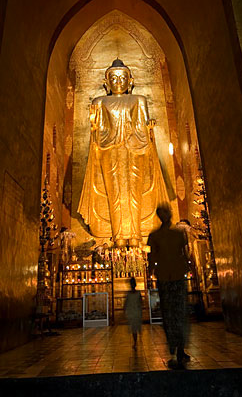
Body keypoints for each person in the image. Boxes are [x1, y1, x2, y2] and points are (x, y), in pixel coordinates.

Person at [78, 58, 169, 247]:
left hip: (135, 149)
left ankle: (135, 235)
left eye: (122, 78)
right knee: (115, 194)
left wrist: (148, 128)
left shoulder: (138, 100)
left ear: (130, 81)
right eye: (114, 78)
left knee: (135, 193)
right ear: (107, 82)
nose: (118, 81)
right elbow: (100, 130)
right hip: (109, 151)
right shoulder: (100, 101)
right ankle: (118, 236)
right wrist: (94, 121)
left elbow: (142, 128)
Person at [148, 203, 191, 369]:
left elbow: (185, 254)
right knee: (168, 313)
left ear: (171, 214)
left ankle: (181, 347)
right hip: (164, 278)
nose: (165, 216)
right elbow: (152, 257)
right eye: (161, 213)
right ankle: (172, 346)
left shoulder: (179, 235)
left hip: (178, 277)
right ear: (159, 216)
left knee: (180, 311)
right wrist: (152, 270)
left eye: (166, 212)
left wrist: (186, 267)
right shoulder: (154, 236)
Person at [124, 277, 142, 348]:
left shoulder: (129, 294)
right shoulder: (137, 293)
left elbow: (125, 303)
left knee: (134, 328)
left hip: (132, 312)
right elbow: (141, 302)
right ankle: (135, 341)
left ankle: (135, 342)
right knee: (135, 328)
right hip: (136, 312)